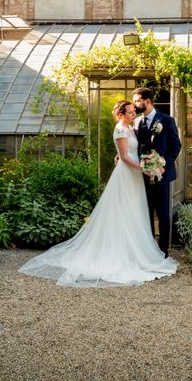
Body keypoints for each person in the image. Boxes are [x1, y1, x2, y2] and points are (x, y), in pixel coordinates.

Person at [18, 100, 178, 287]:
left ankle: (138, 250)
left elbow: (134, 149)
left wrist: (145, 161)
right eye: (129, 112)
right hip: (128, 174)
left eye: (134, 111)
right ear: (120, 115)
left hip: (135, 175)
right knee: (124, 211)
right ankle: (123, 253)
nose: (133, 114)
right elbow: (125, 157)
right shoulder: (120, 129)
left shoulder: (132, 126)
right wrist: (143, 168)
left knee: (135, 211)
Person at [132, 87, 182, 258]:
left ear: (147, 101)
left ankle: (163, 251)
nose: (135, 104)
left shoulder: (166, 120)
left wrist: (163, 164)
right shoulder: (137, 122)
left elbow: (176, 145)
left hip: (162, 175)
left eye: (137, 100)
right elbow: (135, 147)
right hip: (143, 176)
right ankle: (149, 250)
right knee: (146, 213)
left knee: (162, 213)